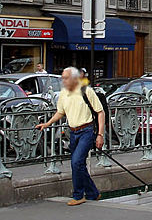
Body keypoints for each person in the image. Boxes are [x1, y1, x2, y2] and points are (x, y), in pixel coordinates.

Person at [36, 67, 105, 205]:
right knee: (78, 164)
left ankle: (78, 195)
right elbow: (60, 112)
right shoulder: (63, 94)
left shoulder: (86, 91)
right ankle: (92, 193)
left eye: (66, 77)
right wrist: (47, 123)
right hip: (73, 131)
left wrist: (100, 135)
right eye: (63, 77)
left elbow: (100, 112)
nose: (63, 80)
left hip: (86, 130)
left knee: (76, 162)